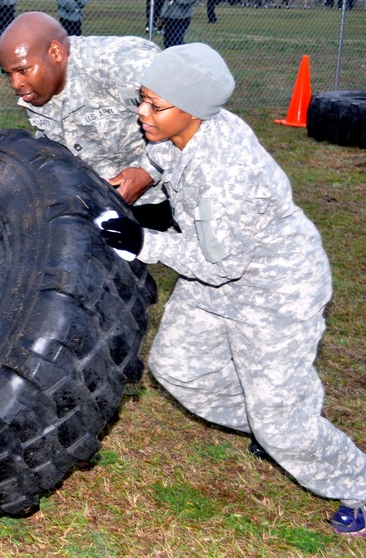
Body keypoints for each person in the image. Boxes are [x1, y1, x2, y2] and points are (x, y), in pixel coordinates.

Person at [97, 43, 366, 537]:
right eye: (143, 99)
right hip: (216, 280)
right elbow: (164, 159)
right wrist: (144, 171)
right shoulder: (189, 129)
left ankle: (356, 483)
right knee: (177, 370)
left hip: (275, 292)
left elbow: (215, 263)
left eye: (156, 106)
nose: (142, 112)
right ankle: (274, 423)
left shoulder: (227, 173)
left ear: (192, 109)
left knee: (283, 426)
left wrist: (141, 242)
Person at [0, 12, 171, 230]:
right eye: (8, 74)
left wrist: (148, 171)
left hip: (173, 193)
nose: (15, 83)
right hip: (108, 205)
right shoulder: (37, 91)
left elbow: (187, 117)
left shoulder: (121, 64)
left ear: (55, 52)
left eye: (22, 70)